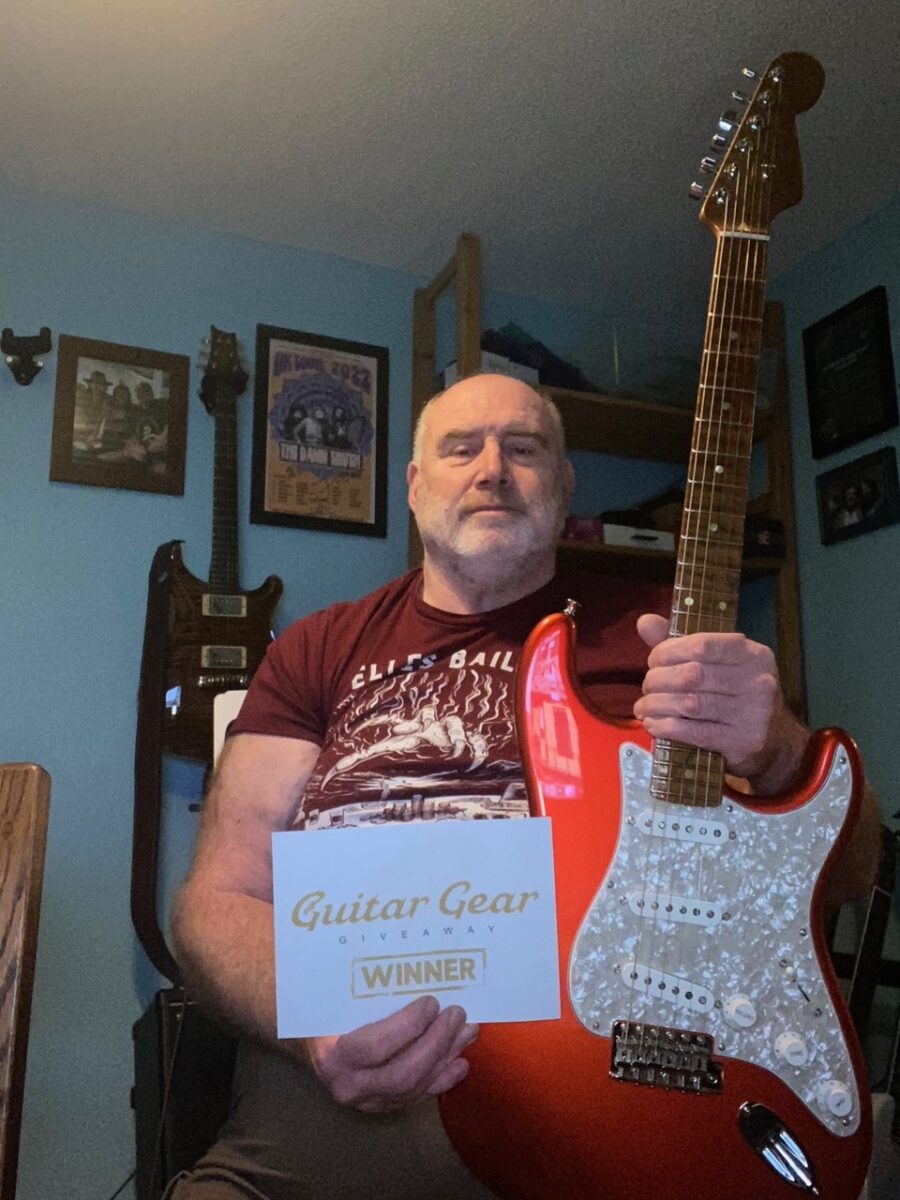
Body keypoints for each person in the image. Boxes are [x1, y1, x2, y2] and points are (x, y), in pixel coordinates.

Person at [170, 373, 881, 1200]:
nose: (492, 470)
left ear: (565, 485)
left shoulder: (671, 639)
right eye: (460, 449)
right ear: (414, 484)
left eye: (523, 447)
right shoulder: (317, 649)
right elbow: (216, 898)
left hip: (618, 1097)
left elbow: (852, 870)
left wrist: (780, 748)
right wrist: (314, 1028)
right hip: (339, 1093)